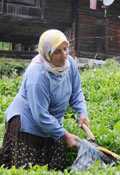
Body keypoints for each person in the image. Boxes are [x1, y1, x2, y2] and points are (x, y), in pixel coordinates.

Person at [0, 29, 90, 171]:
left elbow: (76, 92)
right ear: (46, 54)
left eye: (65, 49)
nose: (64, 55)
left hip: (51, 121)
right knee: (28, 169)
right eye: (57, 52)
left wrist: (82, 112)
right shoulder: (38, 75)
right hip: (27, 123)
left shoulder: (69, 63)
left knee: (54, 166)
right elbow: (40, 115)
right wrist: (64, 134)